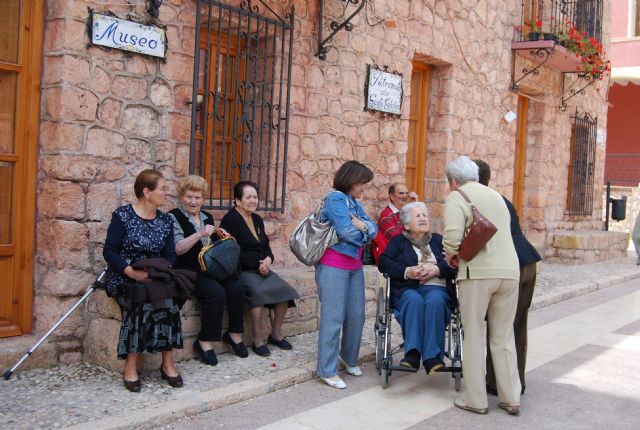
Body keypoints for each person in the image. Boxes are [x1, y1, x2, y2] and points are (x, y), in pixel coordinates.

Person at [442, 156, 521, 416]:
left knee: (474, 334)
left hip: (478, 273)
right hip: (509, 271)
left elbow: (452, 236)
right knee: (503, 335)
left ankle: (476, 400)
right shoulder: (497, 196)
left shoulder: (458, 196)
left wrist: (451, 253)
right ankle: (511, 397)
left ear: (453, 180)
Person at [103, 169, 183, 393]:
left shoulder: (166, 221)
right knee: (142, 304)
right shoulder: (123, 216)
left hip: (154, 277)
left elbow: (171, 254)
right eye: (163, 189)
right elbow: (110, 251)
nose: (166, 193)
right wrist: (130, 271)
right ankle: (130, 365)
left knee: (170, 303)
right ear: (147, 192)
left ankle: (167, 364)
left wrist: (160, 270)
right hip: (125, 277)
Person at [474, 160, 541, 396]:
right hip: (528, 262)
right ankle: (514, 381)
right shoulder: (502, 199)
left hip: (510, 265)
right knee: (517, 324)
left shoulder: (478, 202)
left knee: (499, 324)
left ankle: (498, 383)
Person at [168, 175, 247, 365]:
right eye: (189, 197)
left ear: (203, 199)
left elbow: (210, 247)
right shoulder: (173, 217)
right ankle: (204, 341)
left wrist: (221, 236)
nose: (193, 201)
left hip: (209, 268)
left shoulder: (207, 217)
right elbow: (177, 248)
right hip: (186, 270)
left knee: (237, 286)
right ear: (181, 196)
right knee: (215, 292)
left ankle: (235, 333)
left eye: (198, 197)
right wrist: (200, 233)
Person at [315, 160, 377, 389]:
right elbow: (345, 231)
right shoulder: (335, 199)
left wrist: (363, 227)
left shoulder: (354, 202)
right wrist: (364, 230)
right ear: (352, 180)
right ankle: (326, 369)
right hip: (333, 265)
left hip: (354, 265)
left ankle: (348, 358)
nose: (364, 188)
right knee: (333, 319)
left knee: (356, 316)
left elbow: (373, 227)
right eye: (363, 183)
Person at [220, 181, 300, 357]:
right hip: (242, 271)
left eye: (255, 197)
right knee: (257, 294)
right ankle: (257, 339)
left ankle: (276, 334)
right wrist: (257, 264)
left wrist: (269, 259)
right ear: (237, 201)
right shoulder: (230, 220)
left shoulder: (256, 219)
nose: (252, 200)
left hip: (262, 268)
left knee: (284, 291)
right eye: (248, 197)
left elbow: (265, 245)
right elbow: (230, 252)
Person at [378, 202, 457, 374]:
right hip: (409, 289)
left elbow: (455, 264)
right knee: (413, 300)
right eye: (418, 216)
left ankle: (432, 358)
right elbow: (383, 262)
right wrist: (407, 271)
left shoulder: (438, 241)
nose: (423, 218)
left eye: (424, 215)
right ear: (406, 224)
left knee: (435, 301)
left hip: (437, 288)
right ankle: (412, 354)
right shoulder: (398, 242)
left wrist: (437, 269)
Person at [371, 183, 418, 262]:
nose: (405, 196)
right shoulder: (386, 216)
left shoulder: (406, 213)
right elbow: (399, 240)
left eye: (407, 193)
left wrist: (415, 204)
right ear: (392, 197)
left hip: (405, 255)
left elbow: (421, 231)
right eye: (401, 193)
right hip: (394, 260)